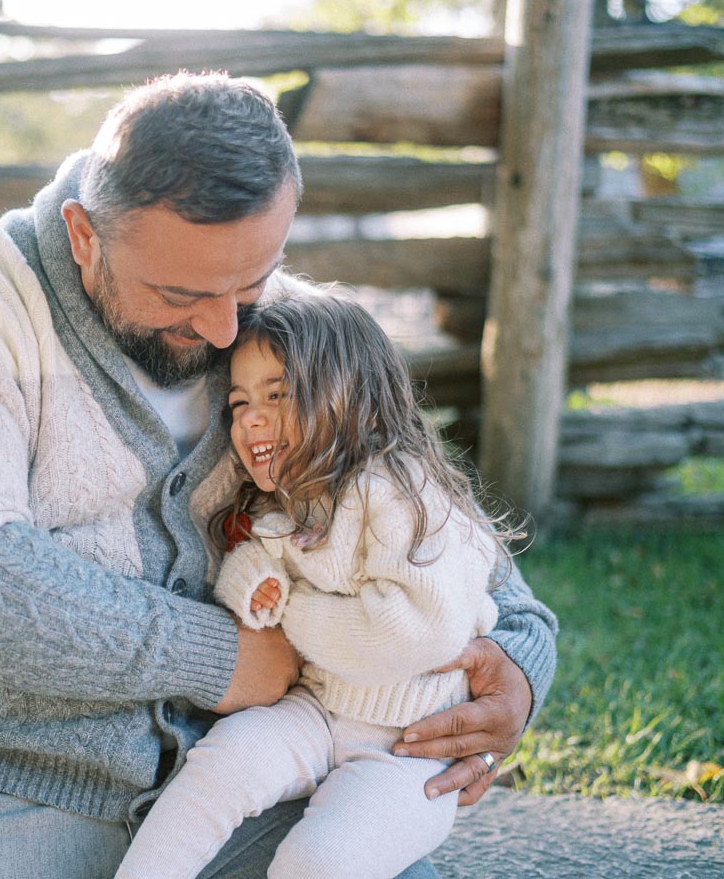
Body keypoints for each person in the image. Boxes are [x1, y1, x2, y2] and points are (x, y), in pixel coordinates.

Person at [0, 71, 558, 879]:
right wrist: (221, 658)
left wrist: (517, 671)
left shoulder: (290, 331)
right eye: (180, 293)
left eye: (252, 282)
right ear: (86, 236)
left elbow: (445, 532)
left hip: (249, 775)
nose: (228, 326)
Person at [115, 288, 522, 879]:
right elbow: (256, 565)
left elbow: (411, 633)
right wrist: (254, 588)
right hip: (314, 710)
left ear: (356, 401)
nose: (250, 417)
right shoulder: (286, 501)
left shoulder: (404, 495)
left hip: (407, 749)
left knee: (320, 860)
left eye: (277, 396)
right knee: (219, 766)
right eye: (238, 403)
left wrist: (292, 611)